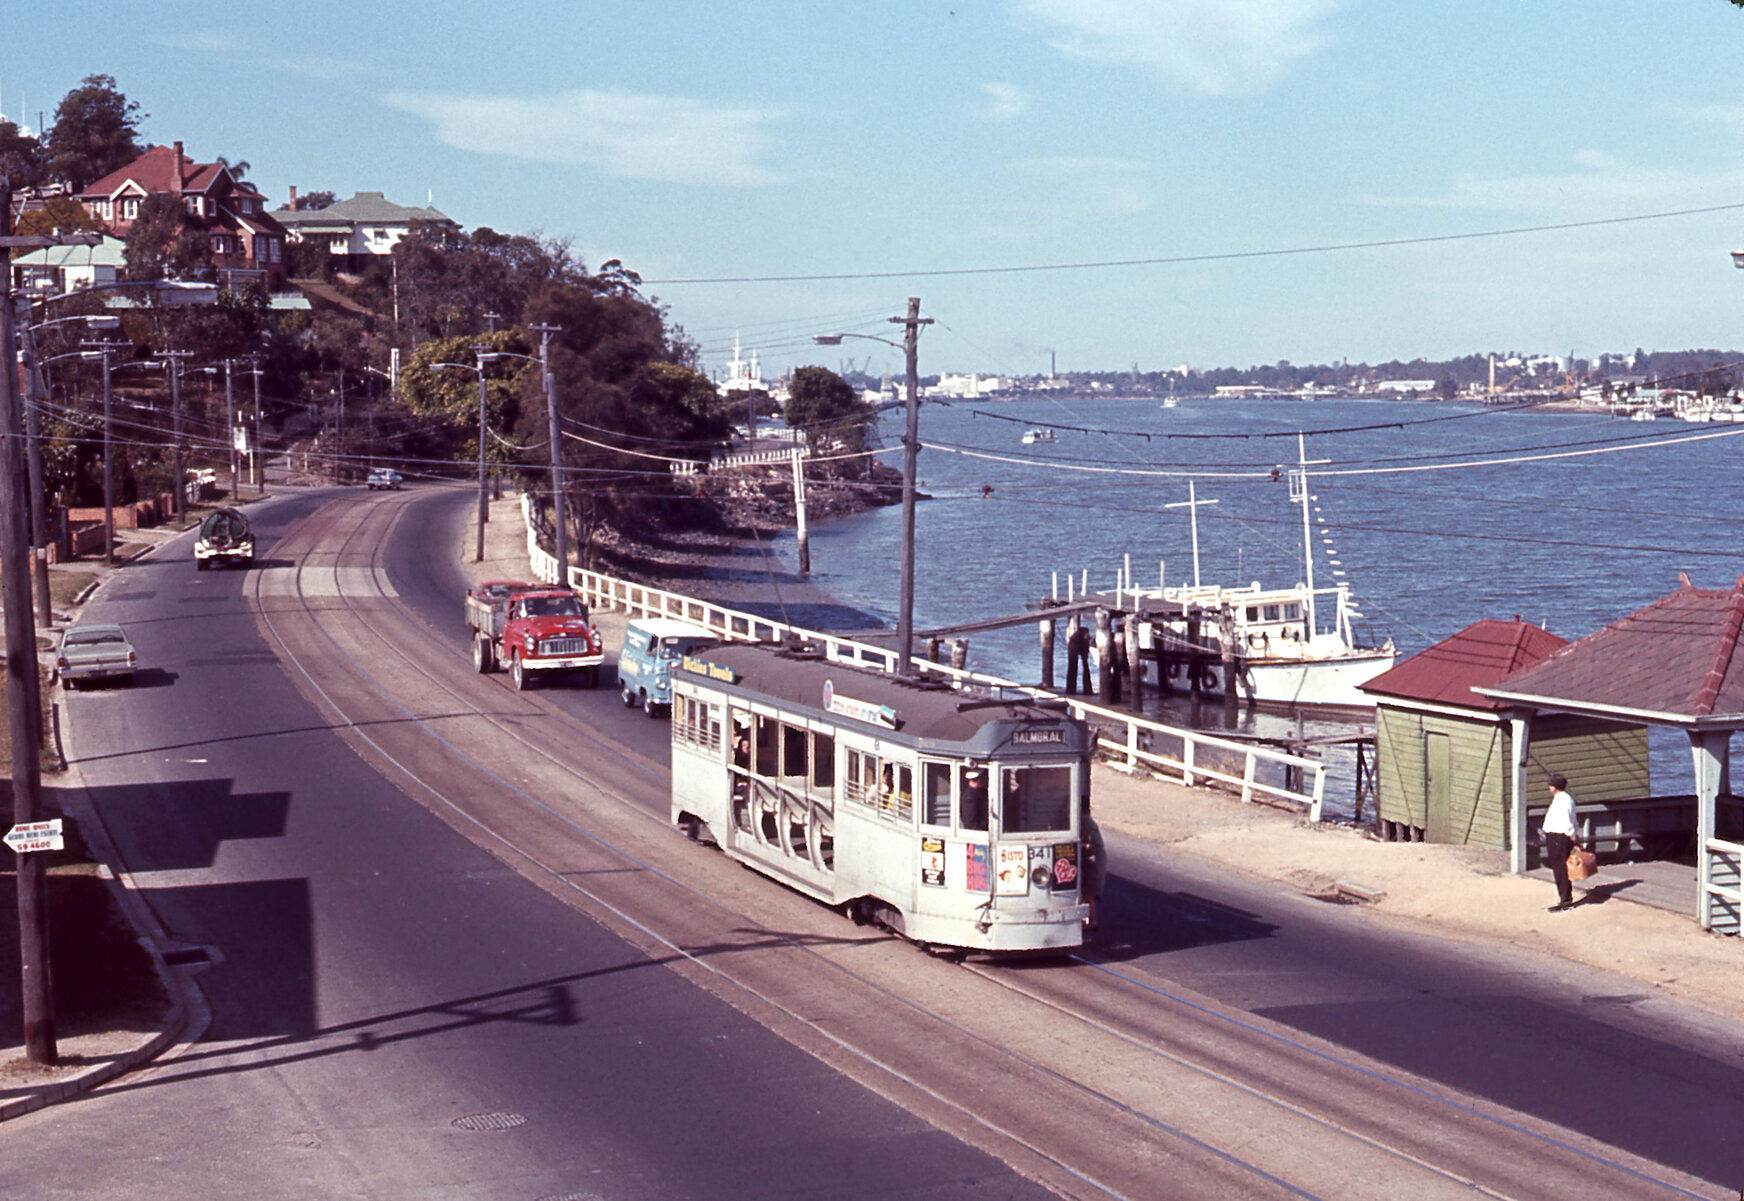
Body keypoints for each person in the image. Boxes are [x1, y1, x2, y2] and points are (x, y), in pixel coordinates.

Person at [1542, 774, 1582, 912]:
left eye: (1551, 785)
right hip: (1556, 836)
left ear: (1554, 787)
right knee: (1559, 867)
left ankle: (1565, 898)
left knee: (1560, 868)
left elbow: (1567, 822)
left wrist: (1573, 837)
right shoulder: (1562, 799)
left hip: (1559, 837)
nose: (1549, 787)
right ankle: (1564, 896)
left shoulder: (1563, 801)